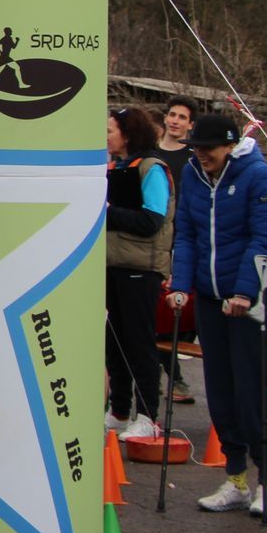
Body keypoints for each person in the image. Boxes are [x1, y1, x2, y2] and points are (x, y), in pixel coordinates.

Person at [168, 114, 267, 517]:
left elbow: (263, 237)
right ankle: (235, 479)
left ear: (231, 146)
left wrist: (244, 292)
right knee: (219, 395)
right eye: (196, 148)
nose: (201, 155)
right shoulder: (193, 175)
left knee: (251, 394)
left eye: (209, 149)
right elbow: (186, 232)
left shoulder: (259, 176)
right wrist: (181, 284)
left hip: (250, 300)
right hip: (209, 298)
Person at [106, 107, 174, 441]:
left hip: (141, 268)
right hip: (113, 264)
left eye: (110, 130)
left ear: (127, 134)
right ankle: (119, 410)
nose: (106, 136)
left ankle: (147, 414)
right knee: (114, 342)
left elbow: (152, 220)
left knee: (139, 343)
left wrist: (109, 212)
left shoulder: (152, 168)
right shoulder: (116, 167)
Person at [155, 97, 196, 183]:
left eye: (182, 117)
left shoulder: (195, 157)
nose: (175, 121)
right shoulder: (149, 151)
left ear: (190, 125)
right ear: (165, 118)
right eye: (172, 115)